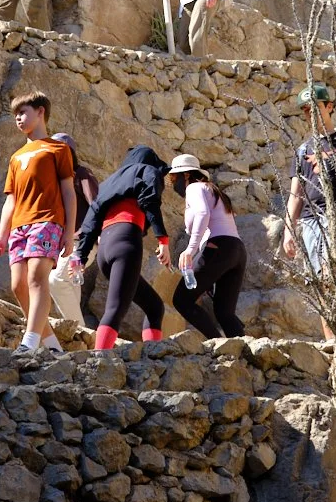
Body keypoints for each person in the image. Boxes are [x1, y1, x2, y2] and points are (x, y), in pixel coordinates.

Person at [0, 92, 78, 352]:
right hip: (19, 226)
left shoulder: (58, 149)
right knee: (18, 286)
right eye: (15, 114)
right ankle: (52, 345)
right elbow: (11, 200)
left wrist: (69, 232)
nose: (18, 118)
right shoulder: (16, 157)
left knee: (37, 277)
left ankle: (29, 343)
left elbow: (69, 192)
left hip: (48, 221)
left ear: (40, 112)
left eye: (23, 112)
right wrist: (2, 235)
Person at [73, 145, 171, 352]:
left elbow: (90, 223)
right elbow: (150, 202)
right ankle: (98, 360)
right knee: (115, 309)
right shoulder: (147, 170)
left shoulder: (108, 183)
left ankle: (152, 356)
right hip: (126, 240)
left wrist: (80, 256)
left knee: (154, 306)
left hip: (105, 250)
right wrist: (163, 240)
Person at [281, 82, 336, 345]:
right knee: (321, 280)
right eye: (305, 110)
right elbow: (296, 193)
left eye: (314, 108)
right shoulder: (303, 150)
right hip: (312, 219)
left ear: (329, 106)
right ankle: (332, 339)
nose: (309, 114)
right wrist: (289, 229)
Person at [166, 154, 247, 338]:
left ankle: (217, 344)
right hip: (236, 250)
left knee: (182, 300)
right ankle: (245, 351)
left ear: (186, 175)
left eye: (174, 177)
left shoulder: (194, 187)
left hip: (218, 247)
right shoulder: (214, 191)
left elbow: (203, 213)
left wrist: (190, 250)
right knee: (224, 312)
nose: (173, 182)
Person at [52, 131, 100, 316]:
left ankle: (79, 328)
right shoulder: (56, 181)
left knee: (57, 280)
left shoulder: (81, 174)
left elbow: (97, 204)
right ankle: (75, 330)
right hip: (63, 244)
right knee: (70, 284)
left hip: (82, 243)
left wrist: (101, 234)